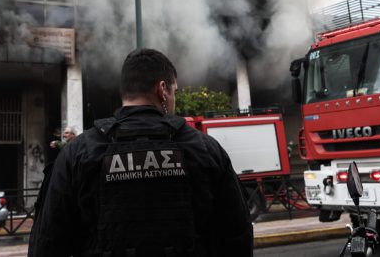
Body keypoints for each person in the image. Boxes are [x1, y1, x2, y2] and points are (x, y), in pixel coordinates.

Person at [28, 48, 253, 257]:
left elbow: (47, 242)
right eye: (174, 92)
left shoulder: (77, 153)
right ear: (162, 90)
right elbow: (237, 236)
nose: (173, 99)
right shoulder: (205, 149)